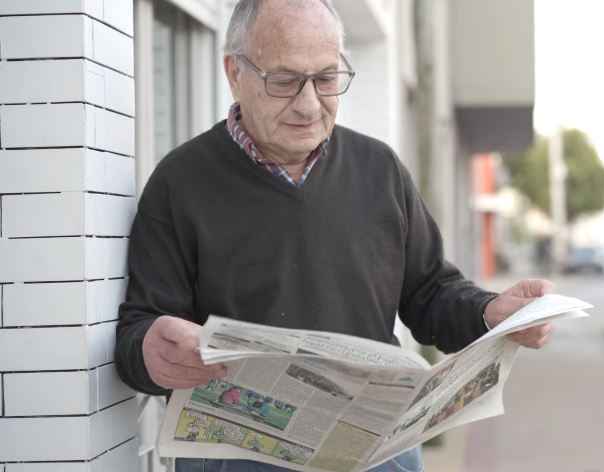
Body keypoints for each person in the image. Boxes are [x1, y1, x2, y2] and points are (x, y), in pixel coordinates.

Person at [114, 0, 555, 471]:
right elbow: (140, 330)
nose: (308, 104)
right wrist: (149, 353)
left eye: (326, 79)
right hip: (239, 456)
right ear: (234, 72)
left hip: (376, 450)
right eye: (284, 81)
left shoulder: (380, 169)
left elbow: (430, 293)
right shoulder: (180, 182)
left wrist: (490, 313)